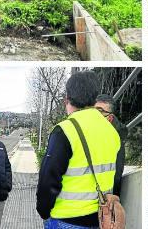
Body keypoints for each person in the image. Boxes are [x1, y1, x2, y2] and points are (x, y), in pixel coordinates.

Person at [37, 71, 124, 229]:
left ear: (67, 99)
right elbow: (116, 174)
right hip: (100, 218)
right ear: (94, 98)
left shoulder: (64, 130)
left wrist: (43, 211)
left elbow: (48, 180)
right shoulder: (112, 132)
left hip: (66, 219)